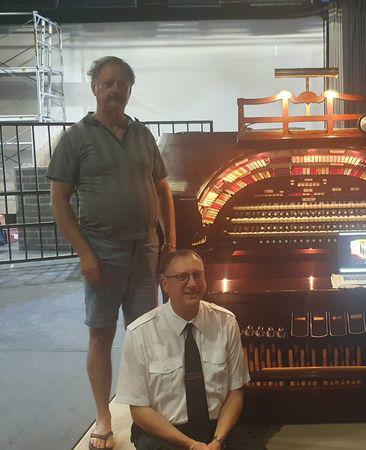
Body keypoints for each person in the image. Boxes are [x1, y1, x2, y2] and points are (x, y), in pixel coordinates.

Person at [46, 56, 176, 450]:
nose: (115, 90)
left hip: (145, 249)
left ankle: (147, 409)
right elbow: (58, 199)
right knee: (101, 335)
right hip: (102, 253)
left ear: (130, 90)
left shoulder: (143, 135)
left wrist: (169, 242)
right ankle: (103, 417)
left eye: (122, 84)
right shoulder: (76, 138)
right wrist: (84, 253)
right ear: (94, 88)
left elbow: (163, 189)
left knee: (145, 335)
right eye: (108, 83)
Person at [116, 250, 265, 450]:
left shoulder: (226, 322)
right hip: (165, 432)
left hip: (218, 427)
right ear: (165, 284)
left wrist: (217, 441)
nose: (192, 284)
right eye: (182, 277)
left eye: (197, 275)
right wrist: (192, 445)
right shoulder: (139, 333)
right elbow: (139, 409)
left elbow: (236, 391)